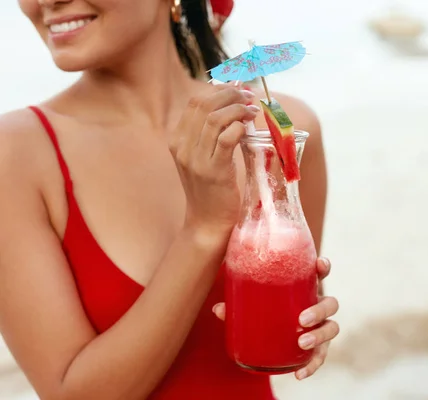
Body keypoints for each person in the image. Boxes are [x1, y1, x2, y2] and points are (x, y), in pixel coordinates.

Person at [0, 0, 339, 399]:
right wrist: (203, 229)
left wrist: (306, 330)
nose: (45, 2)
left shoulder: (281, 133)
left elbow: (286, 332)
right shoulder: (16, 155)